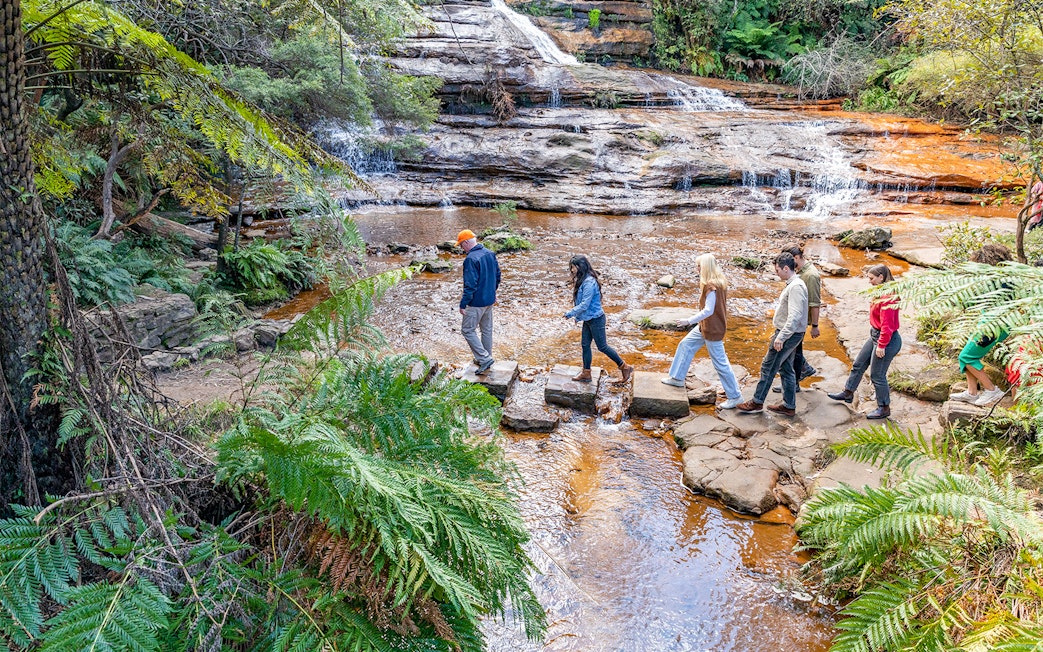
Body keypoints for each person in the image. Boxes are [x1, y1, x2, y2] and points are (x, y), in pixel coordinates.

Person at [660, 253, 743, 409]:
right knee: (686, 344)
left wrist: (688, 320)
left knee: (720, 364)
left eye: (699, 266)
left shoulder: (711, 286)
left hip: (712, 329)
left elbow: (708, 310)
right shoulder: (720, 282)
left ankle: (735, 396)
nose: (696, 269)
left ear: (705, 267)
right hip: (706, 327)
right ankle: (677, 378)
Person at [736, 252, 808, 416]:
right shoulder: (795, 284)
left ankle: (757, 402)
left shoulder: (796, 287)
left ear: (785, 268)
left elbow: (795, 315)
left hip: (788, 334)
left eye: (777, 270)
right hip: (793, 333)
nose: (776, 273)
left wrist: (781, 337)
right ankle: (789, 406)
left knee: (768, 366)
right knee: (786, 368)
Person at [827, 265, 902, 419]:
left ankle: (884, 407)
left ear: (881, 277)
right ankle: (848, 392)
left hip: (887, 339)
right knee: (859, 364)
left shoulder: (888, 297)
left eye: (871, 278)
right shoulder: (880, 291)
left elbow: (887, 325)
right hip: (875, 335)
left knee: (877, 375)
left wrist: (881, 345)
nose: (869, 281)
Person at [949, 243, 1013, 406]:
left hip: (994, 325)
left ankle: (992, 390)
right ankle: (972, 392)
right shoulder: (1003, 277)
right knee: (969, 354)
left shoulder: (1001, 282)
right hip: (990, 323)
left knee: (966, 356)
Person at [564, 255, 633, 384]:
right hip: (588, 318)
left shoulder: (589, 282)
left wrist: (571, 313)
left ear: (580, 267)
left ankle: (625, 367)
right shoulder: (583, 280)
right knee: (585, 345)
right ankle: (586, 373)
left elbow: (585, 304)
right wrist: (578, 316)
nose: (572, 270)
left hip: (596, 319)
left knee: (602, 346)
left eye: (573, 267)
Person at [773, 243, 820, 393]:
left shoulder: (810, 275)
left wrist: (815, 325)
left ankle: (794, 383)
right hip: (794, 321)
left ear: (796, 258)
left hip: (798, 322)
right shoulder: (800, 272)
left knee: (795, 352)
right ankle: (798, 377)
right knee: (794, 351)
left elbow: (815, 302)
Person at [458, 229, 501, 375]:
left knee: (467, 330)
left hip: (476, 302)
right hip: (489, 300)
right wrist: (492, 292)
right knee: (486, 330)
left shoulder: (471, 259)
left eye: (461, 245)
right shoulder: (489, 253)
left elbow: (470, 285)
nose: (461, 248)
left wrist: (463, 304)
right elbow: (498, 275)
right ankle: (486, 356)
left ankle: (484, 358)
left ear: (466, 243)